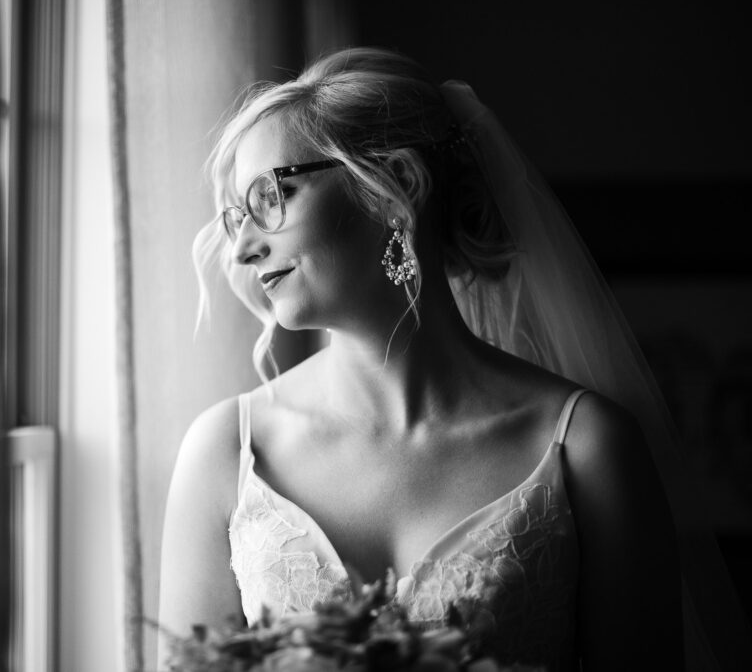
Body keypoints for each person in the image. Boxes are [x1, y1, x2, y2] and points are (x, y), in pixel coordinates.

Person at [158, 48, 744, 671]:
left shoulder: (588, 450)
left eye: (273, 195)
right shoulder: (227, 451)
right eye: (235, 216)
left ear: (397, 187)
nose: (245, 246)